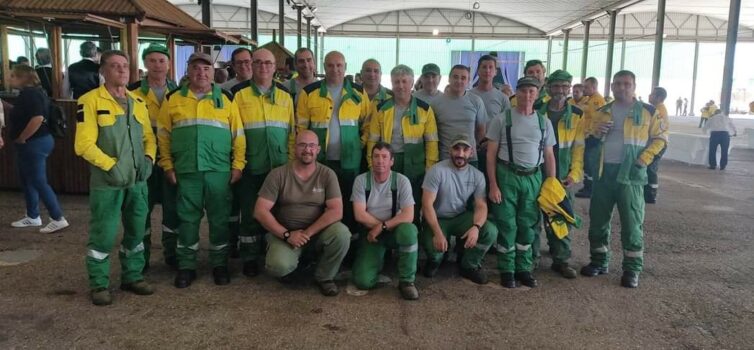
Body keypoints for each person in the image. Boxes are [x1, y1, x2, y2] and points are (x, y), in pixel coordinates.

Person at [157, 52, 246, 288]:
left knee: (219, 221)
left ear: (213, 72)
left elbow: (238, 135)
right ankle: (187, 266)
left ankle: (219, 264)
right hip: (187, 172)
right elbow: (163, 136)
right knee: (187, 221)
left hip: (219, 172)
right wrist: (167, 165)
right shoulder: (173, 99)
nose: (201, 73)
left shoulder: (226, 98)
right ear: (188, 70)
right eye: (196, 68)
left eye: (206, 69)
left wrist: (237, 166)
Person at [74, 50, 156, 305]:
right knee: (104, 234)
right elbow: (83, 145)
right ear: (103, 70)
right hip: (107, 184)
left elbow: (148, 138)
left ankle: (133, 275)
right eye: (115, 66)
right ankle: (99, 284)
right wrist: (110, 165)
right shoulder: (90, 101)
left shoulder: (138, 102)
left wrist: (149, 159)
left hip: (137, 182)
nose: (121, 71)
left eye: (125, 66)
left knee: (136, 231)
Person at [581, 70, 668, 289]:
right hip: (604, 174)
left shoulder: (649, 111)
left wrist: (644, 159)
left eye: (627, 84)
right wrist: (595, 133)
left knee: (632, 223)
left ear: (634, 86)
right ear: (611, 86)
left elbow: (661, 139)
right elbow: (587, 140)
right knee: (598, 221)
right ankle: (599, 261)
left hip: (631, 175)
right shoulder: (602, 111)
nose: (622, 87)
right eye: (618, 84)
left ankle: (632, 269)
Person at [255, 130, 351, 296]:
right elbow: (260, 211)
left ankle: (324, 277)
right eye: (302, 145)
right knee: (278, 266)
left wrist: (307, 233)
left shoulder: (327, 174)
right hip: (285, 235)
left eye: (312, 145)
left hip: (316, 233)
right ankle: (294, 267)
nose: (307, 149)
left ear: (318, 150)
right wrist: (286, 235)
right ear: (294, 148)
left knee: (342, 234)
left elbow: (336, 211)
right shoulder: (278, 174)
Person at [486, 76, 557, 288]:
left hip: (534, 178)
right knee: (507, 224)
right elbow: (490, 155)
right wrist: (493, 185)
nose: (527, 96)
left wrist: (551, 185)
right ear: (516, 93)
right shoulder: (501, 119)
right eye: (524, 91)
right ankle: (507, 270)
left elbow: (549, 155)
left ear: (537, 95)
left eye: (531, 92)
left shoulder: (544, 122)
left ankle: (523, 268)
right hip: (507, 175)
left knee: (528, 224)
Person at [231, 48, 296, 277]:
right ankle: (249, 256)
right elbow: (237, 133)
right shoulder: (238, 96)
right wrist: (239, 164)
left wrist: (290, 165)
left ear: (275, 66)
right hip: (251, 165)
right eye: (258, 63)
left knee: (277, 211)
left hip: (278, 167)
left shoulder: (285, 97)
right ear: (251, 65)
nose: (263, 67)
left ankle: (271, 249)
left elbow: (291, 135)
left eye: (268, 63)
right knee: (250, 212)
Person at [297, 51, 370, 231]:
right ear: (324, 67)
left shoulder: (359, 92)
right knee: (319, 202)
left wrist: (359, 145)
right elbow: (301, 128)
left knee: (348, 201)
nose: (335, 69)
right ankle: (321, 241)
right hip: (320, 160)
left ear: (345, 67)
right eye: (330, 65)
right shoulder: (309, 93)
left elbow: (368, 123)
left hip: (350, 161)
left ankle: (350, 243)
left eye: (339, 65)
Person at [127, 43, 179, 270]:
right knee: (141, 210)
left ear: (169, 64)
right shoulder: (132, 92)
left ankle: (172, 253)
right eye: (152, 60)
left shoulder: (179, 91)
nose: (157, 65)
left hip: (171, 161)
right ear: (145, 63)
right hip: (142, 161)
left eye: (162, 61)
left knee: (173, 209)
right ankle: (142, 257)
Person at [529, 70, 585, 278]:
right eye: (556, 86)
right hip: (536, 173)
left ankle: (561, 260)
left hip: (562, 178)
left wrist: (575, 174)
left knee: (560, 217)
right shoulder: (535, 111)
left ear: (569, 89)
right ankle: (531, 259)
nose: (560, 91)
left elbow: (579, 149)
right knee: (533, 218)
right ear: (548, 88)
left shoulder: (577, 115)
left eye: (564, 87)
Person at [421, 134, 498, 284]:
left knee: (489, 231)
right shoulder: (436, 171)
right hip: (438, 219)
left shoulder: (477, 176)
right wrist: (437, 233)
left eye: (465, 149)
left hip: (460, 217)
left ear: (471, 152)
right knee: (436, 253)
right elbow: (426, 204)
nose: (460, 154)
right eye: (456, 148)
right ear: (450, 150)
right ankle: (437, 259)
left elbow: (481, 205)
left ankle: (469, 265)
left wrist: (476, 227)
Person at [367, 64, 439, 224]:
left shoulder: (425, 109)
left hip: (415, 166)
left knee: (413, 202)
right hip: (388, 163)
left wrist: (430, 169)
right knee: (388, 202)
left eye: (404, 81)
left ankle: (412, 235)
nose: (400, 86)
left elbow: (432, 142)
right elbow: (372, 140)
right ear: (391, 83)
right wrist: (372, 165)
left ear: (412, 83)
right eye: (396, 82)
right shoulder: (380, 109)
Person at [351, 142, 420, 300]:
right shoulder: (361, 181)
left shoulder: (401, 181)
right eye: (376, 156)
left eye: (384, 157)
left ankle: (407, 281)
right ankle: (377, 259)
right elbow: (360, 215)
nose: (380, 161)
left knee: (409, 232)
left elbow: (409, 215)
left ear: (392, 161)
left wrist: (383, 226)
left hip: (394, 230)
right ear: (371, 159)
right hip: (371, 234)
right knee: (362, 281)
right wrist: (378, 228)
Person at [7, 65, 68, 233]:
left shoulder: (30, 94)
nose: (9, 78)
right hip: (37, 141)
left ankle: (57, 217)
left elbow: (37, 118)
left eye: (13, 75)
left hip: (34, 142)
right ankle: (33, 215)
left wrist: (22, 137)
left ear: (22, 78)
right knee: (28, 179)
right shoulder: (34, 93)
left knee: (38, 180)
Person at [431, 65, 487, 167]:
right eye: (455, 77)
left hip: (470, 159)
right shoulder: (436, 103)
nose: (459, 81)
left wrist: (469, 149)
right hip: (445, 158)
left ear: (468, 80)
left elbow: (481, 130)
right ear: (449, 78)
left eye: (463, 78)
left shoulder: (476, 101)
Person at [575, 76, 607, 198]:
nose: (584, 89)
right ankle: (587, 186)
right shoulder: (588, 99)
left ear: (594, 87)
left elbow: (597, 120)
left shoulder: (597, 101)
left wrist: (595, 135)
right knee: (586, 162)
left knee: (590, 162)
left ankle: (591, 188)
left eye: (586, 87)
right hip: (587, 135)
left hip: (593, 137)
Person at [646, 87, 670, 203]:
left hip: (658, 143)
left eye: (652, 94)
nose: (649, 96)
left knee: (651, 168)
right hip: (654, 142)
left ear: (659, 97)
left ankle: (651, 194)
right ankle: (648, 191)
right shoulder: (656, 108)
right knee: (649, 167)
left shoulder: (659, 111)